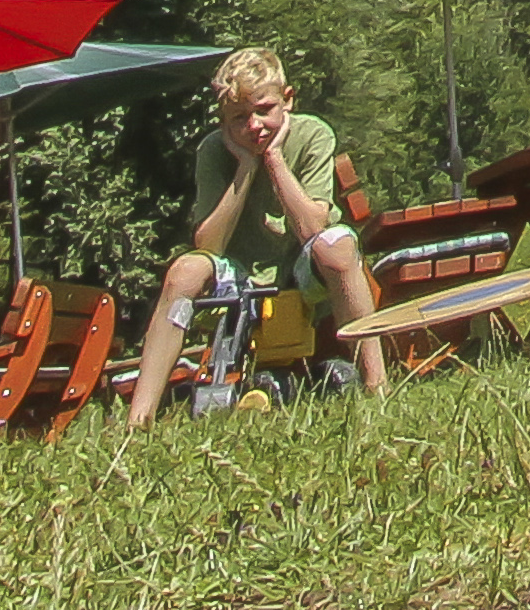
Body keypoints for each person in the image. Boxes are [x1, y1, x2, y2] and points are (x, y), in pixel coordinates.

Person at [123, 48, 384, 416]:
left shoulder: (312, 134)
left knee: (338, 245)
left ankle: (377, 387)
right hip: (241, 276)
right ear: (223, 121)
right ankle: (140, 418)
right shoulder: (214, 151)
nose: (254, 126)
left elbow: (312, 227)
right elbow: (208, 245)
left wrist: (274, 159)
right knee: (185, 270)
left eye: (264, 110)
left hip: (303, 271)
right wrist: (245, 168)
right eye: (239, 118)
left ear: (287, 100)